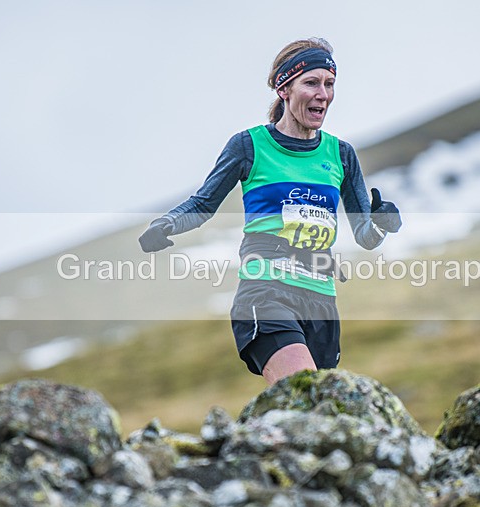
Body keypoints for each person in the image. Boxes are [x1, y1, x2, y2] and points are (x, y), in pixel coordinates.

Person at [139, 37, 401, 385]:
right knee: (304, 390)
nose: (323, 94)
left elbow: (365, 236)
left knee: (318, 408)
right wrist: (166, 224)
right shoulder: (249, 146)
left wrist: (381, 223)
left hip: (321, 301)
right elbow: (203, 204)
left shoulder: (341, 154)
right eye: (312, 83)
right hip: (267, 292)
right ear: (284, 89)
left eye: (329, 84)